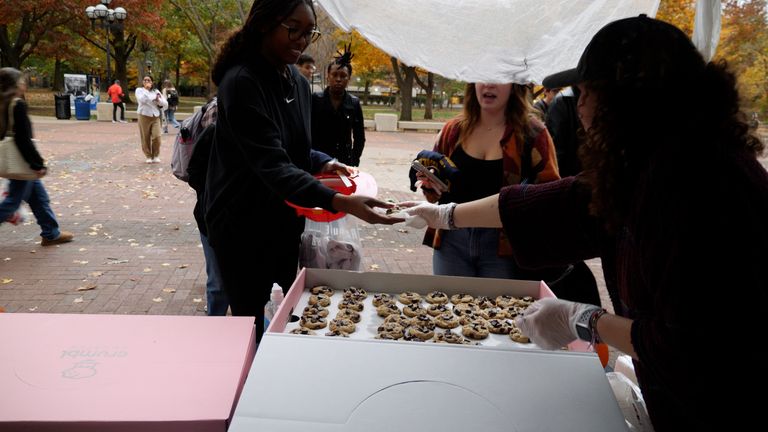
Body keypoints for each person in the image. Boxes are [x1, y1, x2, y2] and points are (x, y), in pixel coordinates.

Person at [403, 15, 768, 430]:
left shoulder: (702, 188)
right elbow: (560, 203)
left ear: (629, 101)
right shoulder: (654, 162)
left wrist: (585, 321)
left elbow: (693, 346)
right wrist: (447, 215)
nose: (579, 108)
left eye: (586, 93)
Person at [206, 0, 401, 336]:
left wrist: (328, 162)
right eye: (292, 29)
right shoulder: (241, 82)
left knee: (284, 310)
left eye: (309, 32)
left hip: (284, 218)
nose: (301, 40)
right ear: (265, 23)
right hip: (241, 226)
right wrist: (338, 201)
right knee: (252, 321)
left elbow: (296, 149)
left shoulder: (296, 81)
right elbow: (273, 164)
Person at [415, 81, 559, 279]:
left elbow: (550, 195)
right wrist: (430, 183)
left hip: (505, 247)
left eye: (498, 77)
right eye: (482, 76)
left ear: (514, 85)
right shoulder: (453, 130)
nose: (489, 84)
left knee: (499, 309)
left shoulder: (533, 133)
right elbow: (434, 192)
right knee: (447, 306)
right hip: (451, 242)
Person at [0, 67, 74, 246]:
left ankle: (51, 232)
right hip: (22, 162)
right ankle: (51, 232)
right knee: (12, 202)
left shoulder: (3, 104)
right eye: (21, 81)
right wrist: (37, 164)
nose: (24, 84)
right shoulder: (17, 104)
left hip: (15, 161)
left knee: (39, 198)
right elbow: (23, 140)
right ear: (14, 85)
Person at [311, 45, 366, 166]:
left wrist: (354, 161)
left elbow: (359, 138)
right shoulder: (315, 99)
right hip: (319, 161)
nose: (338, 79)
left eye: (343, 76)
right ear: (328, 76)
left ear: (349, 78)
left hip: (344, 161)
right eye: (334, 75)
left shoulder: (354, 103)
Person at [135, 75, 167, 164]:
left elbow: (164, 103)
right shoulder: (139, 91)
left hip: (155, 116)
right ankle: (148, 156)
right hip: (143, 115)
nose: (146, 81)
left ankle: (155, 155)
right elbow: (142, 100)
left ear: (152, 82)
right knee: (145, 137)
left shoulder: (156, 91)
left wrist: (158, 101)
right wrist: (150, 94)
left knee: (157, 136)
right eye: (145, 80)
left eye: (148, 80)